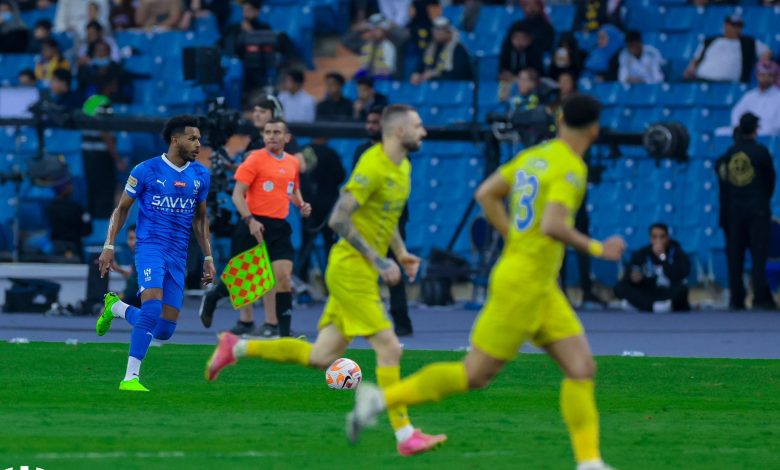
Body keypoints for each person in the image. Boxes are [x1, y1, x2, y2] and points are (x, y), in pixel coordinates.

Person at [346, 94, 625, 470]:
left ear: (560, 121)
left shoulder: (534, 156)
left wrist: (513, 235)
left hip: (540, 284)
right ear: (594, 128)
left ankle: (590, 462)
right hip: (524, 284)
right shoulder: (571, 167)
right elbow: (553, 225)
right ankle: (380, 400)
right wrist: (597, 248)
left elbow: (486, 193)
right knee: (473, 375)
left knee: (581, 368)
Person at [206, 105, 447, 456]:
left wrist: (401, 251)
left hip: (360, 268)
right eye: (418, 125)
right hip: (351, 269)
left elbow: (386, 215)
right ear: (398, 132)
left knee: (322, 356)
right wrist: (379, 260)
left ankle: (236, 346)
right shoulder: (374, 165)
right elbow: (338, 219)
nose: (424, 132)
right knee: (390, 348)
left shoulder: (404, 167)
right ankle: (405, 434)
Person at [95, 115, 214, 392]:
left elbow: (200, 218)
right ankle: (130, 377)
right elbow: (122, 208)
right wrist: (109, 245)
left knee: (164, 330)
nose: (199, 144)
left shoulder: (201, 175)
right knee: (151, 308)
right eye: (193, 138)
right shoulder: (146, 170)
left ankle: (117, 308)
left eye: (199, 139)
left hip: (178, 254)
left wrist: (208, 257)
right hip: (151, 248)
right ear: (175, 140)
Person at [203, 119, 311, 338]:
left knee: (283, 277)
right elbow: (237, 194)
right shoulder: (255, 159)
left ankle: (283, 333)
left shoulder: (292, 162)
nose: (272, 136)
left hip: (279, 227)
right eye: (268, 132)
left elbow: (292, 188)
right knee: (243, 279)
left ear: (287, 138)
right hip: (253, 225)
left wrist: (301, 204)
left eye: (277, 132)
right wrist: (250, 220)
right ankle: (214, 296)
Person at [352, 106, 414, 337]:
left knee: (395, 271)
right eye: (368, 122)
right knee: (364, 272)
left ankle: (402, 321)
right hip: (367, 224)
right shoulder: (362, 151)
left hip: (393, 221)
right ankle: (362, 320)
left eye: (375, 122)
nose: (371, 126)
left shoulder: (400, 154)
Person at [716, 112, 777, 310]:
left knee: (735, 256)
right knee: (759, 255)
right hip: (757, 210)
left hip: (733, 212)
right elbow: (770, 181)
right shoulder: (760, 152)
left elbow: (723, 183)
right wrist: (760, 200)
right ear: (755, 130)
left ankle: (737, 298)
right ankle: (760, 297)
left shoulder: (727, 155)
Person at [297, 139, 346, 284]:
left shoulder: (302, 151)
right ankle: (332, 282)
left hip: (308, 205)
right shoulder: (331, 153)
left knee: (306, 243)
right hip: (327, 206)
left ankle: (302, 280)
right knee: (329, 244)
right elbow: (340, 176)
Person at [614, 223, 691, 313]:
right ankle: (654, 306)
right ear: (650, 238)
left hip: (668, 289)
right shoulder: (642, 253)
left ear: (667, 237)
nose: (658, 240)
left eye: (662, 237)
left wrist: (662, 256)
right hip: (649, 290)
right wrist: (633, 278)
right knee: (620, 288)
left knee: (682, 290)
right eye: (654, 237)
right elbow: (629, 274)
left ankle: (642, 305)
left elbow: (678, 275)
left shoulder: (677, 253)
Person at [685, 14, 770, 83]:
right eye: (733, 25)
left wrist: (758, 66)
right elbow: (696, 60)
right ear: (726, 25)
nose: (736, 29)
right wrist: (690, 70)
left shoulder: (748, 42)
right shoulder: (710, 41)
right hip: (701, 79)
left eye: (739, 26)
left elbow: (767, 52)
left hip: (728, 83)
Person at [410, 17, 473, 85]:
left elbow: (458, 74)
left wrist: (436, 74)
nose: (436, 32)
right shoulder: (430, 48)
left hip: (451, 88)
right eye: (435, 29)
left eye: (439, 29)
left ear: (449, 32)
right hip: (429, 88)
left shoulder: (458, 49)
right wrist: (416, 73)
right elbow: (421, 66)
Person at [45, 180, 92, 262]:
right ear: (66, 189)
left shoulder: (49, 208)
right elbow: (87, 229)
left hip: (55, 249)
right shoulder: (77, 208)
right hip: (75, 248)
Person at [729, 62, 780, 136]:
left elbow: (777, 124)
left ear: (774, 78)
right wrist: (742, 128)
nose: (766, 78)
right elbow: (736, 112)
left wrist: (759, 130)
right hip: (747, 131)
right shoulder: (750, 95)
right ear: (757, 76)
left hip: (768, 133)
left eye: (769, 75)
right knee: (721, 132)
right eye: (763, 75)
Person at [354, 13, 396, 80]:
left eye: (378, 29)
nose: (375, 32)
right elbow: (348, 41)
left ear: (384, 30)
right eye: (373, 29)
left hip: (382, 78)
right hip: (368, 76)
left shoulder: (388, 46)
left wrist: (374, 71)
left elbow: (389, 70)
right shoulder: (367, 44)